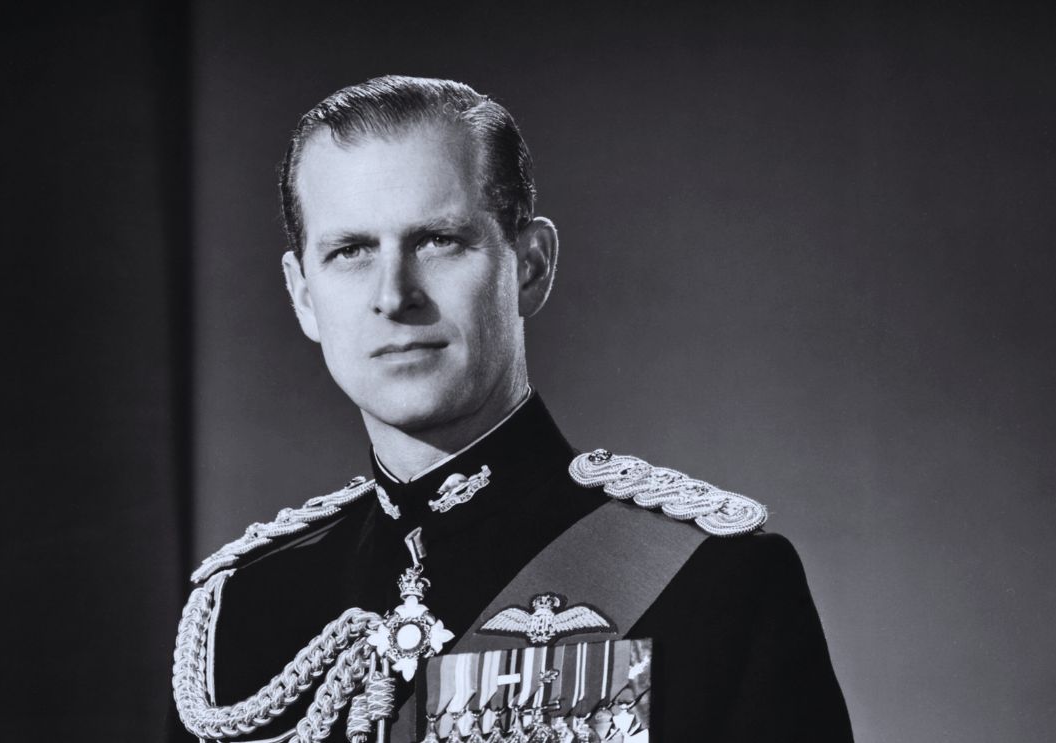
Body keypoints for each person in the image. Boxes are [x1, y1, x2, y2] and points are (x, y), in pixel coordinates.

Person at [172, 75, 852, 743]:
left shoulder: (712, 584)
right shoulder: (241, 609)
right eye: (350, 250)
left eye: (437, 240)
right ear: (301, 294)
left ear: (530, 265)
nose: (393, 294)